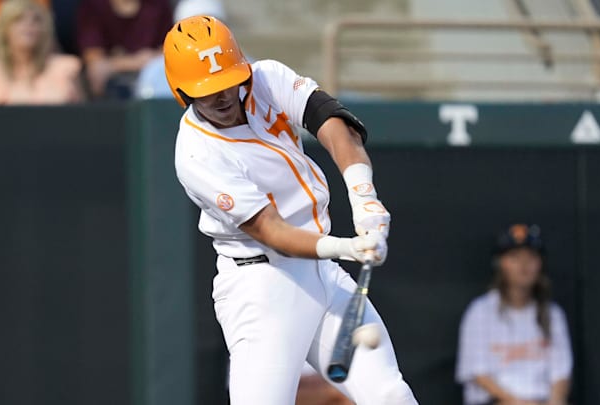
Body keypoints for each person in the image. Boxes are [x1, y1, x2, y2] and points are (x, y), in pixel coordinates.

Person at [165, 16, 417, 405]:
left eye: (229, 80)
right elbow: (270, 230)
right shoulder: (196, 154)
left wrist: (364, 197)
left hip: (321, 272)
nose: (224, 94)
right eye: (208, 88)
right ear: (182, 92)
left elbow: (331, 122)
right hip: (261, 284)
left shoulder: (265, 78)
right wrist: (345, 248)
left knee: (391, 396)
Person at [456, 224, 573, 405]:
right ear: (500, 263)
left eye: (531, 258)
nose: (524, 265)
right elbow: (477, 374)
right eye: (515, 258)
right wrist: (516, 402)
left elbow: (561, 376)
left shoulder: (553, 314)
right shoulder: (480, 312)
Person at [0, 0, 82, 104]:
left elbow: (83, 116)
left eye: (36, 20)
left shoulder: (68, 68)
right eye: (19, 20)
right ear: (4, 28)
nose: (29, 25)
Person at [76, 0, 172, 98]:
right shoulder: (94, 6)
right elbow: (93, 59)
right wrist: (136, 62)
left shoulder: (158, 5)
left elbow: (170, 51)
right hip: (113, 84)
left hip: (152, 84)